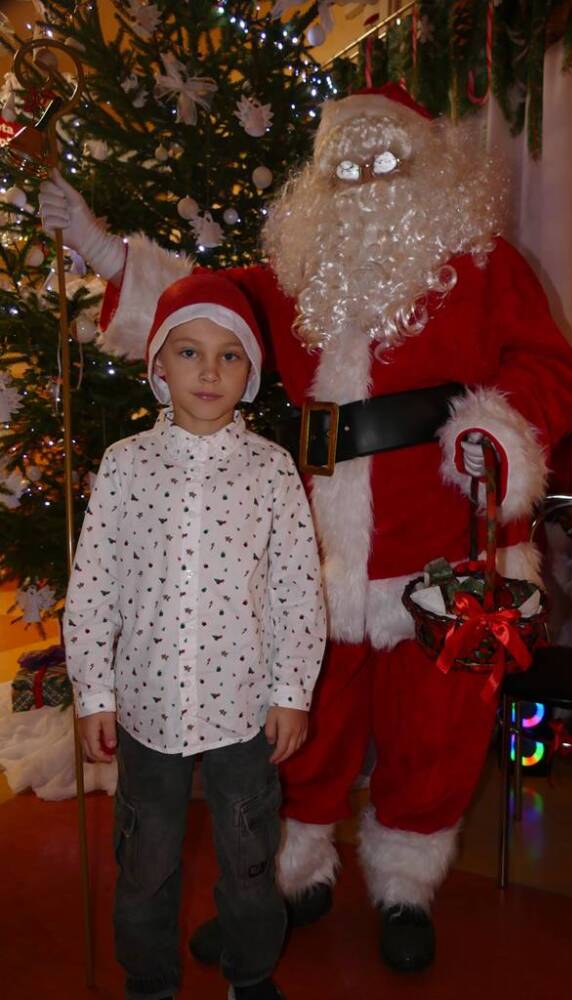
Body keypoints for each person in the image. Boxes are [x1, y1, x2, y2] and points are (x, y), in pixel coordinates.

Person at [43, 82, 572, 972]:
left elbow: (550, 364)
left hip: (440, 538)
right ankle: (287, 876)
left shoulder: (484, 265)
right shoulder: (293, 275)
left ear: (429, 169)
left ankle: (404, 885)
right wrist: (105, 250)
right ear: (318, 181)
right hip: (312, 544)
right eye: (347, 167)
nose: (366, 183)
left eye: (387, 161)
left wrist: (497, 429)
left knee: (432, 724)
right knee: (303, 719)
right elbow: (200, 308)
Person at [64, 270, 327, 1000]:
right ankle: (149, 979)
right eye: (189, 353)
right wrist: (94, 692)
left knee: (249, 858)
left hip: (244, 708)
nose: (209, 372)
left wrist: (291, 690)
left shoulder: (271, 470)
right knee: (145, 859)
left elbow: (297, 590)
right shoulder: (125, 466)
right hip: (147, 709)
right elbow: (94, 586)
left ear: (249, 373)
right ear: (157, 366)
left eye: (228, 355)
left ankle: (251, 972)